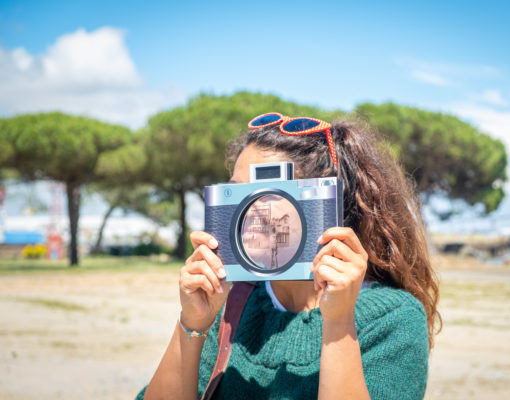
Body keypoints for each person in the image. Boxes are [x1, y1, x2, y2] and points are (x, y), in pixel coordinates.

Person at [136, 113, 441, 400]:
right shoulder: (232, 300)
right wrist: (193, 323)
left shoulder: (392, 319)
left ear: (322, 204)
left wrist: (338, 321)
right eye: (237, 194)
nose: (249, 211)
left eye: (265, 195)